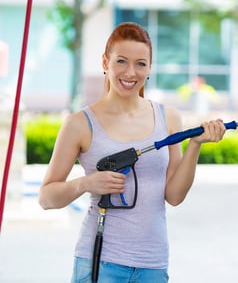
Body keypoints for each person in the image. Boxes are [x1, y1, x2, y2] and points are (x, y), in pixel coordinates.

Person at [38, 22, 226, 282]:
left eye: (140, 63)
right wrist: (86, 183)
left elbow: (174, 196)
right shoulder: (79, 124)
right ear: (105, 62)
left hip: (152, 264)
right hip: (99, 263)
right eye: (121, 61)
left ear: (150, 67)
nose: (130, 72)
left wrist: (195, 145)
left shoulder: (168, 118)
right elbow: (47, 198)